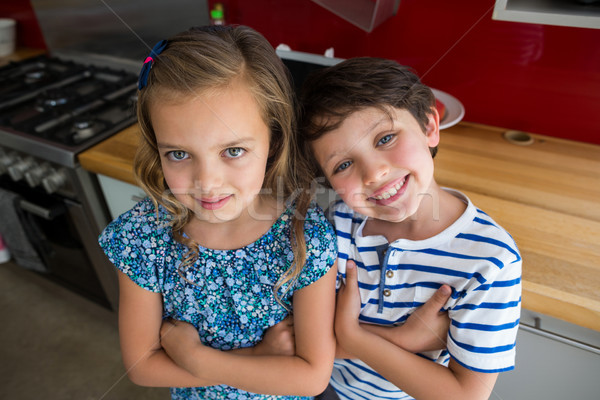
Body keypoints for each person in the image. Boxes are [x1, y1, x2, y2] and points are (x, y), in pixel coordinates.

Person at [98, 25, 338, 400]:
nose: (207, 183)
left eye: (233, 151)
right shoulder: (141, 238)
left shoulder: (303, 237)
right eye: (179, 154)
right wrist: (258, 358)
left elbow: (311, 377)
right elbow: (142, 366)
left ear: (274, 140)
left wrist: (199, 359)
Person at [298, 57, 522, 400]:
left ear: (430, 126)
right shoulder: (335, 224)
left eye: (386, 138)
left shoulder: (491, 260)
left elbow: (464, 395)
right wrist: (402, 339)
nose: (373, 174)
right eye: (343, 164)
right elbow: (295, 340)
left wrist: (351, 335)